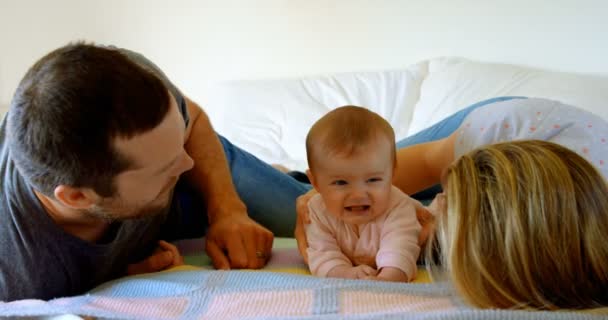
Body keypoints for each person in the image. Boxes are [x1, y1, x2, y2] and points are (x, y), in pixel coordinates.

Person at [0, 43, 309, 301]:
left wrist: (227, 209)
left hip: (175, 187)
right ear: (78, 197)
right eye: (162, 167)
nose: (187, 163)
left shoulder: (132, 83)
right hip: (142, 209)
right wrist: (117, 276)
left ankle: (288, 177)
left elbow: (194, 122)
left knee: (328, 216)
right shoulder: (19, 275)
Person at [295, 97, 608, 309]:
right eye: (444, 201)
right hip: (522, 127)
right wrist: (322, 194)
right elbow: (418, 166)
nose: (426, 218)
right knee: (314, 198)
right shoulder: (490, 134)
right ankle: (296, 177)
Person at [304, 106, 420, 282]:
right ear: (315, 182)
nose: (358, 195)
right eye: (341, 182)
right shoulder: (316, 210)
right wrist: (344, 273)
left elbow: (401, 246)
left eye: (373, 180)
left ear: (392, 173)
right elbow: (322, 253)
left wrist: (389, 277)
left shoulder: (398, 205)